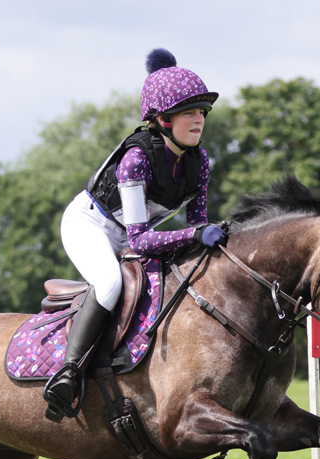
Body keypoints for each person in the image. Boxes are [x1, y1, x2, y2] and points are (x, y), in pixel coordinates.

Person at [43, 48, 228, 421]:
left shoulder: (199, 161)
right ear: (163, 118)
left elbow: (196, 226)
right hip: (90, 224)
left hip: (129, 234)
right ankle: (69, 372)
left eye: (202, 112)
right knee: (110, 283)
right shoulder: (137, 158)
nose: (199, 120)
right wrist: (197, 235)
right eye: (189, 112)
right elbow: (143, 241)